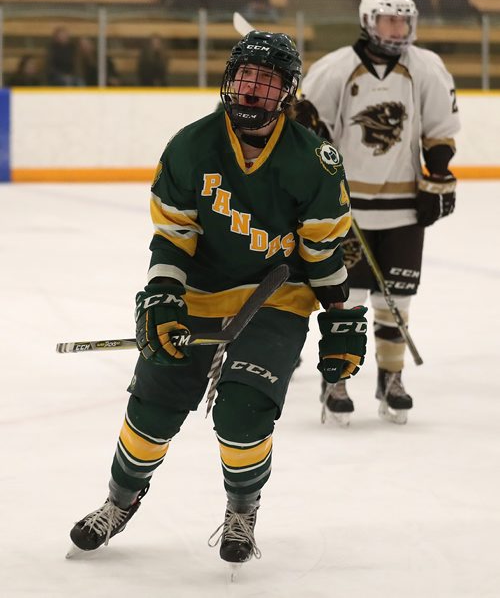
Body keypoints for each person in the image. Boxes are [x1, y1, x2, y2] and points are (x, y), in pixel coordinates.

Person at [67, 30, 368, 567]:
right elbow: (173, 235)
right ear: (230, 80)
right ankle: (120, 501)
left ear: (287, 92)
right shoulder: (191, 145)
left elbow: (322, 248)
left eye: (267, 80)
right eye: (246, 77)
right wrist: (162, 294)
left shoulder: (313, 160)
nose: (253, 89)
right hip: (200, 294)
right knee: (152, 408)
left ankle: (241, 510)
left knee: (242, 410)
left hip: (276, 299)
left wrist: (340, 315)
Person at [300, 0, 460, 426]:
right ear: (369, 20)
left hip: (403, 207)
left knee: (397, 301)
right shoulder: (336, 69)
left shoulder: (425, 67)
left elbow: (439, 129)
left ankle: (391, 377)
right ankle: (337, 377)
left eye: (404, 20)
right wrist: (309, 128)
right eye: (390, 19)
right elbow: (309, 134)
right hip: (348, 209)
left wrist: (440, 177)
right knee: (345, 299)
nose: (398, 28)